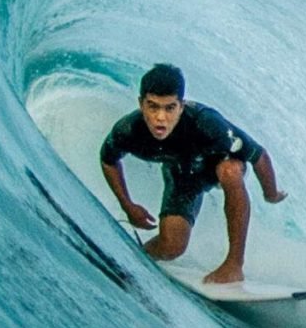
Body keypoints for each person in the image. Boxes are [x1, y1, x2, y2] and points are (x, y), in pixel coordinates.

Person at [98, 63, 285, 285]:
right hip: (183, 173)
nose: (160, 118)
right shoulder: (128, 130)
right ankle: (134, 261)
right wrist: (127, 206)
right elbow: (108, 160)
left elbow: (258, 155)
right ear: (141, 104)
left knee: (231, 171)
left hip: (219, 165)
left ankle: (234, 265)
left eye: (170, 108)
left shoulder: (207, 124)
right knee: (172, 246)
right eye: (153, 106)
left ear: (181, 107)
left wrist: (270, 193)